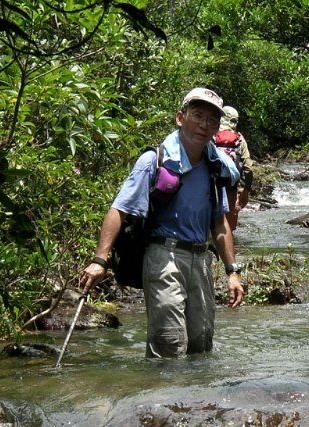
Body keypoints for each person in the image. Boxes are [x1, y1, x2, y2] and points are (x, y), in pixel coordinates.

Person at [80, 87, 245, 359]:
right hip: (163, 255)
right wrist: (100, 260)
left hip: (201, 259)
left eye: (212, 120)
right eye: (198, 115)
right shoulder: (154, 160)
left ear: (217, 127)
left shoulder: (215, 166)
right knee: (168, 342)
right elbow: (119, 209)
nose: (204, 124)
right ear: (181, 118)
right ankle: (162, 401)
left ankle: (197, 401)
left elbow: (220, 224)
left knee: (201, 344)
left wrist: (232, 272)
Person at [214, 105, 254, 231]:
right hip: (231, 187)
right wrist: (246, 190)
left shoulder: (211, 134)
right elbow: (248, 168)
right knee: (228, 230)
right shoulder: (240, 139)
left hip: (211, 186)